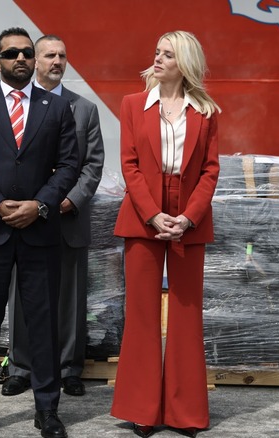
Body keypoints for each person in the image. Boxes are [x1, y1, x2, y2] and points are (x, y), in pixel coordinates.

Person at [0, 27, 79, 438]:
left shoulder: (55, 108)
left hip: (39, 230)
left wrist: (38, 205)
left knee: (42, 323)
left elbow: (70, 165)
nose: (20, 59)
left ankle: (47, 409)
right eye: (11, 53)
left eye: (26, 52)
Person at [110, 30, 220, 438]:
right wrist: (154, 214)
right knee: (140, 314)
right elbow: (130, 164)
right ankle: (141, 409)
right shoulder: (133, 104)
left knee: (186, 316)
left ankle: (184, 412)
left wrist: (188, 218)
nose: (157, 59)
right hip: (143, 215)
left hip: (189, 218)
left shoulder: (206, 111)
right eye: (156, 51)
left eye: (167, 54)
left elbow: (210, 171)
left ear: (184, 63)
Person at [2, 34, 104, 399]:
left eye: (62, 55)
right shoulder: (17, 104)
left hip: (67, 217)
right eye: (48, 55)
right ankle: (21, 367)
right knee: (22, 296)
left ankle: (68, 368)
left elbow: (93, 165)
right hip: (25, 217)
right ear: (34, 60)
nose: (56, 61)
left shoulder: (85, 110)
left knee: (69, 299)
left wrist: (69, 200)